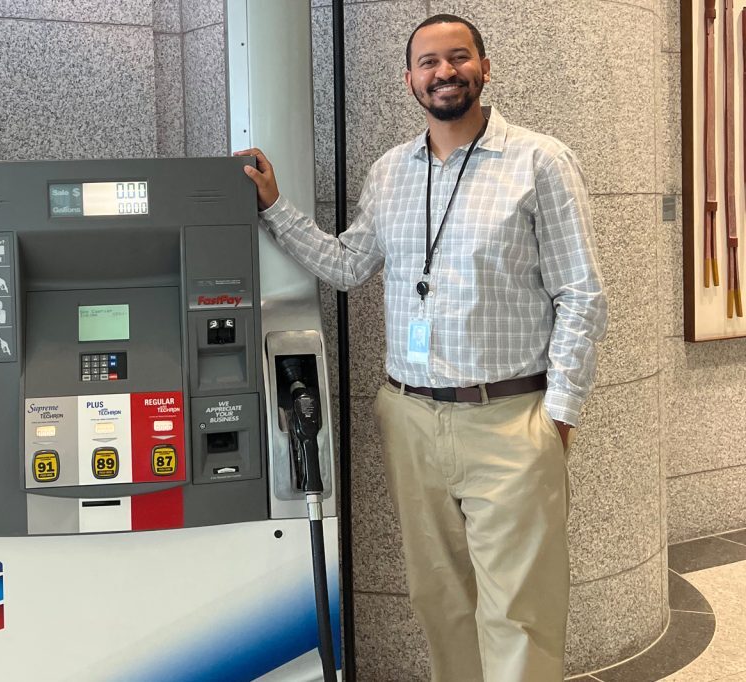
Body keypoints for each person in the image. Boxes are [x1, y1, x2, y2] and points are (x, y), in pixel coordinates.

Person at [236, 13, 607, 682]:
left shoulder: (539, 161)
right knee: (440, 602)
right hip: (410, 418)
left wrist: (560, 415)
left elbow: (582, 294)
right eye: (428, 62)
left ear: (485, 68)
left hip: (509, 418)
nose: (444, 72)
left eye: (458, 57)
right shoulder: (391, 172)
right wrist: (274, 206)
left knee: (518, 613)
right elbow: (349, 264)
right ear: (409, 79)